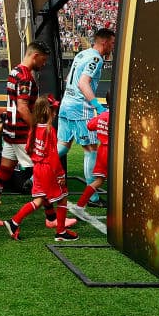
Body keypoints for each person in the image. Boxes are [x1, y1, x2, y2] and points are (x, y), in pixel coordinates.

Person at [0, 41, 51, 225]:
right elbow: (23, 107)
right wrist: (36, 129)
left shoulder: (15, 71)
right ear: (35, 55)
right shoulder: (26, 76)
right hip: (21, 133)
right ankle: (52, 218)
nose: (44, 64)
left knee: (4, 171)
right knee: (44, 171)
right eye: (43, 59)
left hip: (10, 131)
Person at [3, 97, 77, 242]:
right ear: (48, 112)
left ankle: (14, 222)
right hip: (48, 170)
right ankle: (61, 232)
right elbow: (53, 157)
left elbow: (28, 149)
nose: (55, 113)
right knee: (63, 198)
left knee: (38, 200)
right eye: (53, 110)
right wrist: (60, 174)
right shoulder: (50, 130)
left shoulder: (35, 128)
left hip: (37, 168)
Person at [58, 29, 116, 203]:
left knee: (63, 146)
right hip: (80, 108)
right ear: (104, 42)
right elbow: (83, 83)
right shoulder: (96, 58)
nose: (113, 46)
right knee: (91, 150)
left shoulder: (82, 54)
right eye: (112, 43)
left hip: (66, 104)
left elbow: (70, 77)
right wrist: (98, 106)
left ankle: (33, 177)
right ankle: (93, 196)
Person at [73, 93, 111, 223]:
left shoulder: (103, 115)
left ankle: (79, 206)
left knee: (99, 180)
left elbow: (90, 125)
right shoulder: (116, 117)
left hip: (101, 151)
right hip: (112, 151)